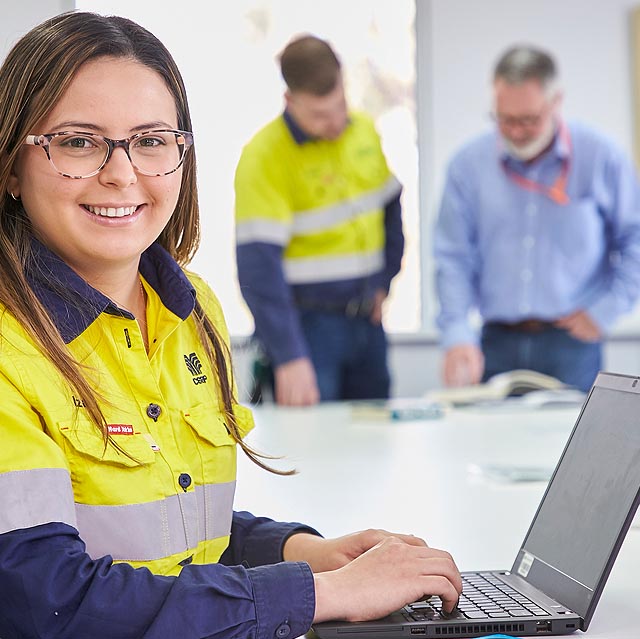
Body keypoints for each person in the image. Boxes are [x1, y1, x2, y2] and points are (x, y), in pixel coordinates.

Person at [0, 11, 461, 638]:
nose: (122, 173)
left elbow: (176, 537)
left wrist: (302, 553)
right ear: (10, 165)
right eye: (78, 141)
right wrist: (318, 593)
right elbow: (48, 599)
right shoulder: (9, 344)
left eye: (152, 140)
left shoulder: (193, 310)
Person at [434, 45, 640, 393]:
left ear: (555, 102)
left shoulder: (600, 156)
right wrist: (456, 333)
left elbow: (634, 238)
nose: (515, 131)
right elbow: (453, 256)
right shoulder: (467, 165)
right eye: (504, 119)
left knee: (574, 447)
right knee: (493, 447)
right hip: (495, 342)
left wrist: (606, 310)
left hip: (572, 344)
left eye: (528, 119)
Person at [235, 35, 404, 406]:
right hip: (308, 328)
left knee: (375, 442)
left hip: (368, 323)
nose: (336, 123)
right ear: (289, 101)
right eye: (320, 115)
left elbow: (390, 208)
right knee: (311, 450)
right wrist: (289, 354)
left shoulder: (362, 130)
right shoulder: (264, 157)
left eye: (340, 106)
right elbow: (257, 270)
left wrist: (383, 283)